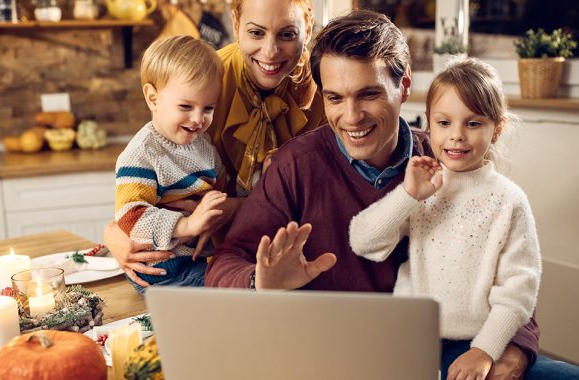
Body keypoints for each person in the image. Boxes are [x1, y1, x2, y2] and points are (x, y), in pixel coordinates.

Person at [205, 10, 579, 379]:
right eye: (335, 98)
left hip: (449, 353)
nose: (351, 117)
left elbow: (514, 281)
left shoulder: (450, 159)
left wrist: (513, 351)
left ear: (403, 87)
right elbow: (226, 263)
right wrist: (260, 282)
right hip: (335, 356)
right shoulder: (295, 167)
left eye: (368, 94)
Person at [104, 0, 325, 288]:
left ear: (307, 28)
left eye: (287, 34)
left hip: (293, 251)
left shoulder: (328, 85)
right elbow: (152, 181)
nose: (270, 52)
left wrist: (240, 203)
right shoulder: (207, 76)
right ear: (235, 24)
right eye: (256, 33)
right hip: (208, 258)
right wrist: (113, 232)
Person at [348, 58, 541, 380]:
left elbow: (519, 292)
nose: (457, 136)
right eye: (444, 122)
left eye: (473, 123)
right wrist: (409, 195)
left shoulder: (510, 200)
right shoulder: (422, 186)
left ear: (498, 129)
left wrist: (485, 351)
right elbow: (363, 241)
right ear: (429, 123)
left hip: (474, 343)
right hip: (408, 339)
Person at [114, 35, 227, 292]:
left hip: (197, 260)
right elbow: (131, 216)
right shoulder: (142, 153)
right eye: (186, 106)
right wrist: (188, 224)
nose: (198, 118)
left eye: (208, 108)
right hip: (161, 272)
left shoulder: (204, 146)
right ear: (153, 99)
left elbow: (222, 187)